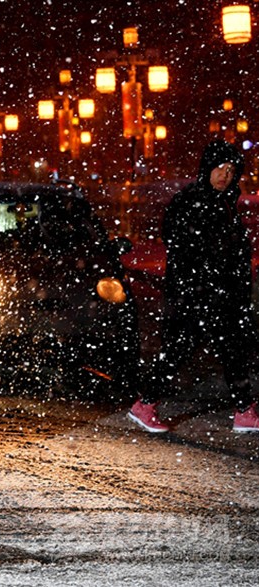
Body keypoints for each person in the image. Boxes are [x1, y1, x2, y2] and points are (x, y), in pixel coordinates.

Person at [128, 139, 259, 433]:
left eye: (231, 170)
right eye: (220, 168)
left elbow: (229, 250)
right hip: (198, 293)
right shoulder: (192, 201)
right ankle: (145, 404)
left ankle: (242, 410)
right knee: (185, 349)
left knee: (227, 348)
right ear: (207, 168)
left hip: (216, 293)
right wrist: (206, 281)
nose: (225, 175)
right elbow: (184, 246)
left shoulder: (224, 202)